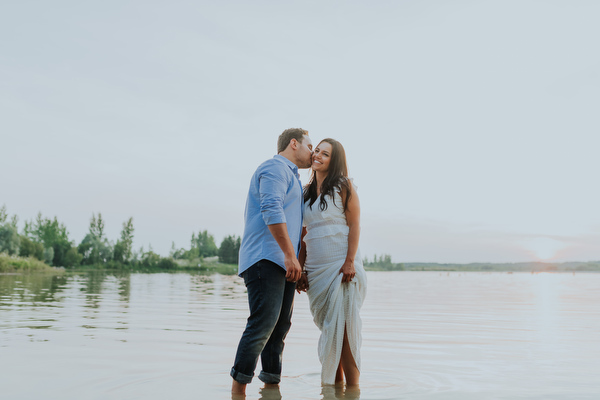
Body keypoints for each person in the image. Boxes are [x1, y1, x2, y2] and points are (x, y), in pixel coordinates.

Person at [231, 128, 313, 395]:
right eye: (309, 146)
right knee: (263, 322)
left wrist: (298, 263)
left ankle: (271, 387)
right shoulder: (275, 168)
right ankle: (238, 392)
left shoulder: (294, 180)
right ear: (293, 144)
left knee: (279, 327)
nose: (312, 152)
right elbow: (270, 208)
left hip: (284, 263)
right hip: (265, 258)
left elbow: (297, 227)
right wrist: (290, 256)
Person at [296, 138, 367, 387]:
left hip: (341, 268)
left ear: (333, 160)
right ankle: (333, 390)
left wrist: (349, 262)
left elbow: (355, 224)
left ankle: (353, 390)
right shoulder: (304, 194)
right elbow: (304, 235)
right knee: (330, 332)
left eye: (325, 154)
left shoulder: (343, 186)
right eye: (316, 150)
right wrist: (301, 269)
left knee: (345, 333)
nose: (317, 155)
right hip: (316, 271)